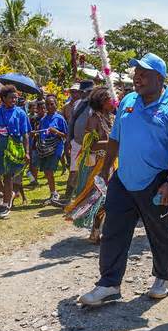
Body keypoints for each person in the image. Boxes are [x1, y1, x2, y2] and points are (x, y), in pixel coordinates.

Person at [79, 53, 168, 306]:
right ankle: (109, 283)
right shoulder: (127, 101)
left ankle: (163, 277)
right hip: (123, 178)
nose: (138, 78)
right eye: (136, 73)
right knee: (113, 230)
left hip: (156, 180)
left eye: (144, 74)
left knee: (159, 231)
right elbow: (115, 138)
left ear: (159, 78)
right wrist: (105, 169)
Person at [63, 87, 117, 243]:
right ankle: (95, 231)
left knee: (110, 199)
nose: (113, 101)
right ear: (101, 102)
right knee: (100, 199)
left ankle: (103, 230)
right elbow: (90, 146)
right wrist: (112, 144)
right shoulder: (93, 119)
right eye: (109, 98)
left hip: (112, 162)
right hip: (98, 166)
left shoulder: (111, 117)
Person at [0, 85, 31, 218]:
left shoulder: (20, 113)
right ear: (3, 98)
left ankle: (5, 204)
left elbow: (26, 134)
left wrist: (27, 152)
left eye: (16, 98)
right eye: (11, 98)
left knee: (8, 176)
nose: (14, 100)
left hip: (13, 149)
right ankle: (4, 194)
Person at [64, 80, 94, 202]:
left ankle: (87, 198)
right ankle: (67, 198)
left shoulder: (97, 105)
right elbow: (71, 123)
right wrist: (68, 142)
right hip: (76, 143)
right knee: (74, 171)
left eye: (85, 92)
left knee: (89, 173)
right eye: (81, 92)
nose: (83, 94)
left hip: (92, 146)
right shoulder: (77, 104)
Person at [37, 94, 68, 204]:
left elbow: (66, 135)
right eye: (47, 104)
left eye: (52, 104)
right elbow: (41, 131)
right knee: (46, 171)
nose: (49, 106)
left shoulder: (59, 118)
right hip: (44, 148)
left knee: (49, 170)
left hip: (56, 148)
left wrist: (56, 132)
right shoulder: (43, 119)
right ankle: (53, 192)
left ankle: (54, 193)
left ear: (56, 105)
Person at [28, 99, 45, 187]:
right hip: (35, 144)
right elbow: (30, 132)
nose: (42, 110)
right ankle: (34, 180)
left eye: (43, 108)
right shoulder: (33, 119)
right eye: (40, 108)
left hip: (46, 144)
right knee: (34, 163)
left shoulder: (47, 118)